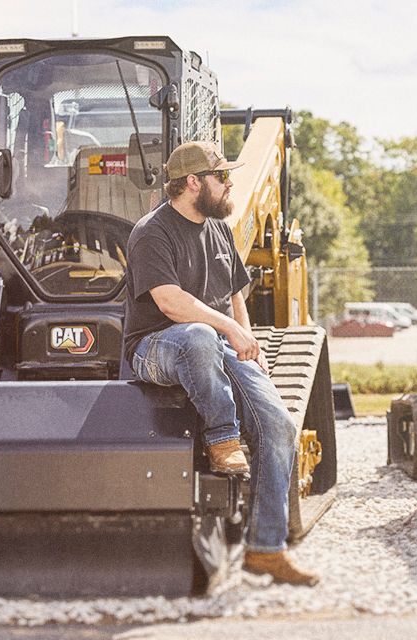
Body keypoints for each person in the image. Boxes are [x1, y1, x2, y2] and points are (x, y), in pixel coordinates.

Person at [123, 140, 318, 586]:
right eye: (222, 177)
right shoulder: (152, 231)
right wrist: (228, 330)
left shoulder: (219, 231)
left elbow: (234, 298)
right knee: (199, 334)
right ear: (193, 183)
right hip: (156, 347)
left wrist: (249, 342)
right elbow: (170, 302)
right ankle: (222, 437)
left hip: (217, 344)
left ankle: (266, 549)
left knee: (279, 427)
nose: (230, 184)